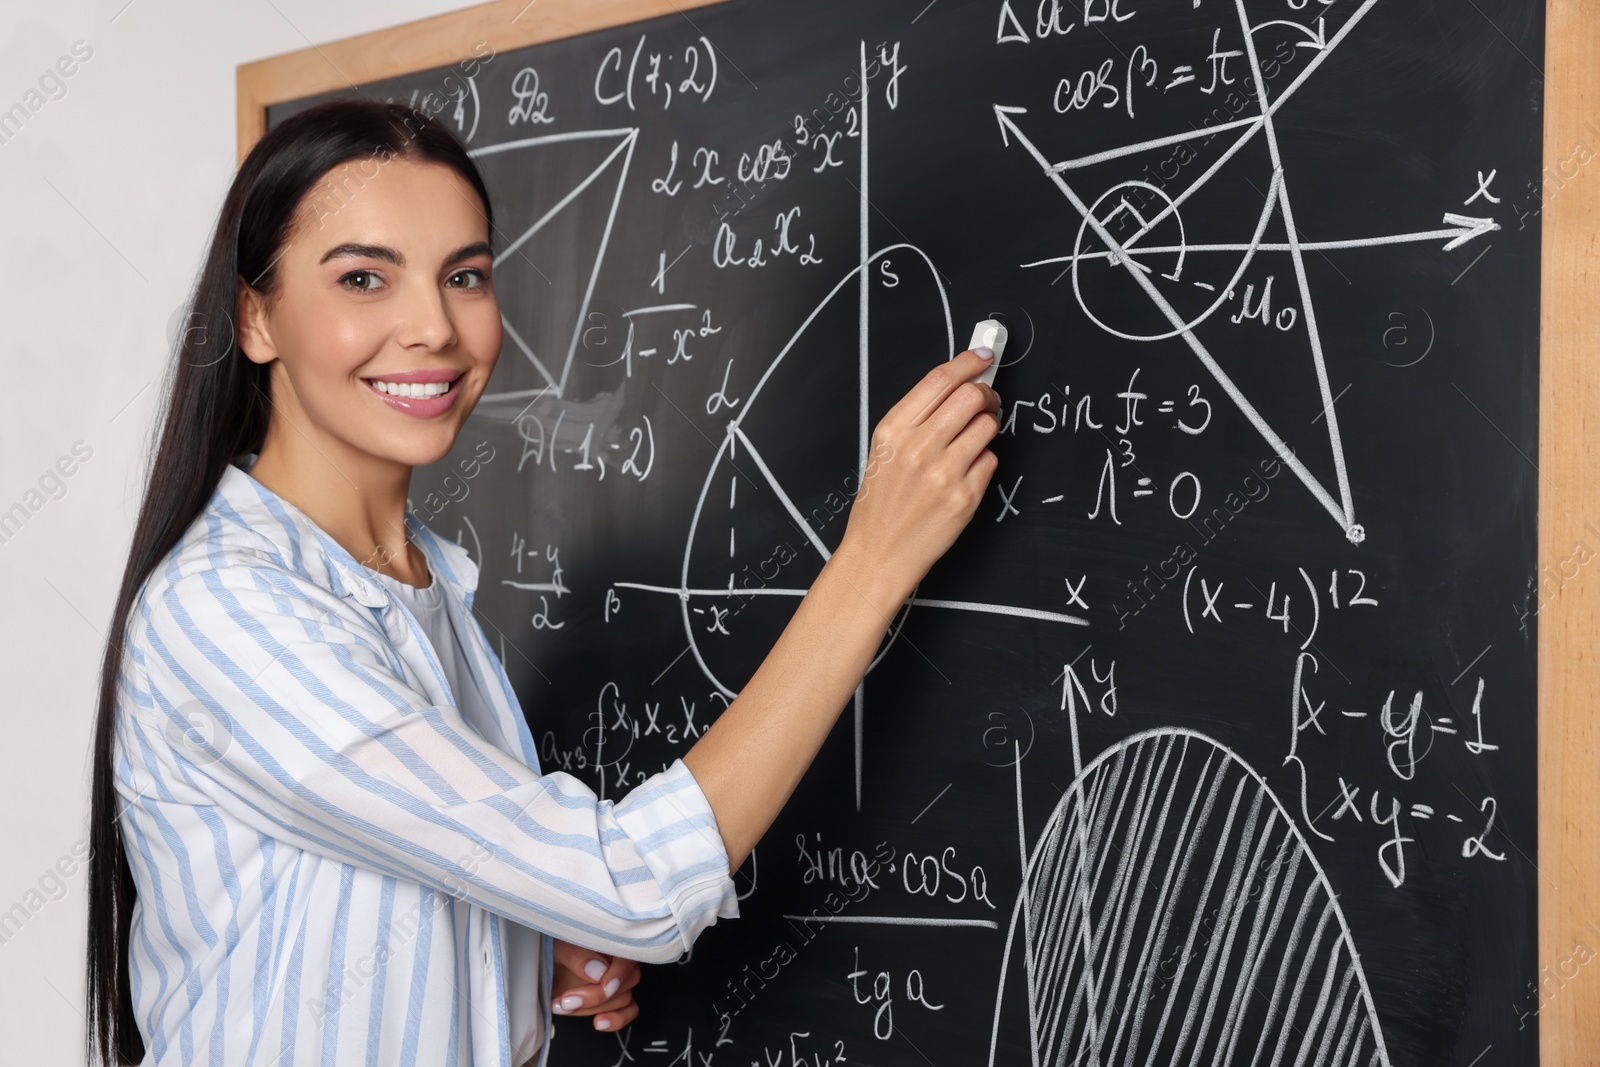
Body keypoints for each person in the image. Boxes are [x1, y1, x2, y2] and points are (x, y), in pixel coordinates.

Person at [83, 98, 1000, 1066]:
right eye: (364, 278)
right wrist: (873, 561)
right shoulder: (230, 609)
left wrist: (513, 942)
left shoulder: (419, 582)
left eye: (465, 276)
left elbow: (390, 868)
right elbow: (631, 887)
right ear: (255, 316)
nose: (432, 326)